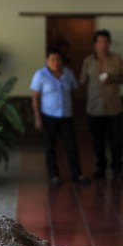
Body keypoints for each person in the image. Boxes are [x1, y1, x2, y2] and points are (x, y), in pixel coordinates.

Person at [30, 48, 90, 186]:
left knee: (72, 147)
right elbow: (35, 98)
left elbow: (73, 91)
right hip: (48, 116)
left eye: (58, 59)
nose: (56, 62)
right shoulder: (40, 75)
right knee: (50, 147)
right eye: (52, 60)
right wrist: (37, 117)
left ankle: (77, 175)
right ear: (47, 61)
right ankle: (54, 176)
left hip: (66, 116)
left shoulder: (68, 73)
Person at [79, 30, 123, 180]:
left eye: (106, 42)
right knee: (98, 140)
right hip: (94, 107)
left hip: (114, 107)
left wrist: (113, 79)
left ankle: (117, 168)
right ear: (95, 44)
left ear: (109, 43)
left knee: (117, 140)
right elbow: (83, 80)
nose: (103, 45)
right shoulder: (87, 61)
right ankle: (100, 167)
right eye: (100, 42)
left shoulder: (117, 58)